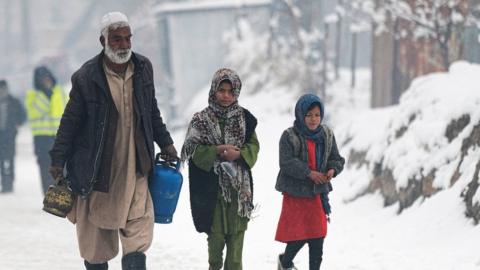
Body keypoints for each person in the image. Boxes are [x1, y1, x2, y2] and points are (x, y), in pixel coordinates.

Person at [48, 11, 178, 270]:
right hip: (97, 174)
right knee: (96, 247)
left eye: (127, 38)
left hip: (135, 169)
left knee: (138, 240)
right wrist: (57, 159)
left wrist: (166, 143)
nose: (124, 45)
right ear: (103, 41)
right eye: (117, 39)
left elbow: (151, 111)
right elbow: (70, 122)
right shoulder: (86, 77)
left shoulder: (142, 69)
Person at [181, 68, 260, 270]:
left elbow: (253, 146)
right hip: (212, 191)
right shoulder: (201, 120)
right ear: (214, 90)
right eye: (221, 90)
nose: (226, 96)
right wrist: (216, 150)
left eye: (231, 91)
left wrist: (239, 155)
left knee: (235, 252)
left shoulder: (246, 119)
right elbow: (193, 150)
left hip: (238, 192)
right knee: (215, 246)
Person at [275, 94, 345, 270]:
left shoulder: (327, 134)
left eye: (317, 115)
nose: (313, 119)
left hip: (317, 194)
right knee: (299, 235)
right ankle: (285, 262)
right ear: (300, 115)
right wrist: (308, 173)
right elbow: (286, 162)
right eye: (309, 115)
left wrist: (332, 170)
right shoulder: (289, 136)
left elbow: (336, 158)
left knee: (317, 236)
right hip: (296, 194)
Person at [25, 65, 67, 194]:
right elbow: (35, 112)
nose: (45, 81)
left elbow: (68, 111)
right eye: (42, 79)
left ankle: (62, 196)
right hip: (42, 138)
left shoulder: (59, 92)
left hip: (59, 136)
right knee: (45, 168)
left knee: (62, 167)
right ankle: (49, 195)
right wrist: (46, 95)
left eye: (47, 78)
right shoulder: (33, 95)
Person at [0, 80, 26, 193]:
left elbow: (23, 116)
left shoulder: (14, 102)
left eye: (3, 89)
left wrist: (17, 124)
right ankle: (5, 182)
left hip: (9, 136)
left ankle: (9, 183)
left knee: (9, 159)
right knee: (2, 160)